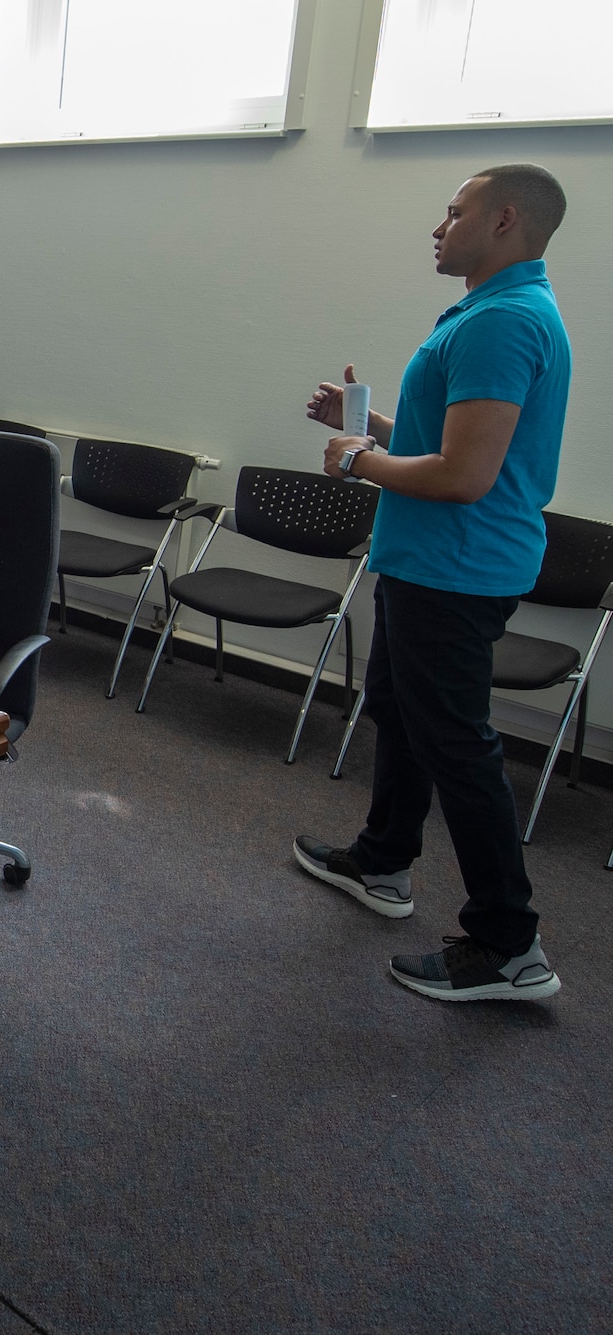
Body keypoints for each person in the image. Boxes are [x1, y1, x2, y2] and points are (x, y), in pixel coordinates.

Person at [292, 164, 571, 1003]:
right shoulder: (495, 310)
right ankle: (383, 862)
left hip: (457, 567)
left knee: (457, 742)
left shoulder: (504, 320)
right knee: (403, 715)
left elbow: (463, 475)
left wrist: (359, 461)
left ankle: (507, 944)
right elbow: (462, 434)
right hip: (430, 563)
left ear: (504, 221)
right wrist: (369, 423)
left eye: (454, 213)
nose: (438, 226)